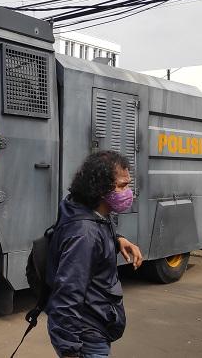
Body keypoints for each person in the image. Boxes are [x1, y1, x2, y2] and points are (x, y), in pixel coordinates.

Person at [45, 150, 143, 357]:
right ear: (100, 189)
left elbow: (96, 235)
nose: (128, 192)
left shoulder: (88, 211)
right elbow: (67, 295)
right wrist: (70, 350)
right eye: (122, 186)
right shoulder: (84, 234)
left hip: (94, 326)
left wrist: (118, 241)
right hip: (87, 336)